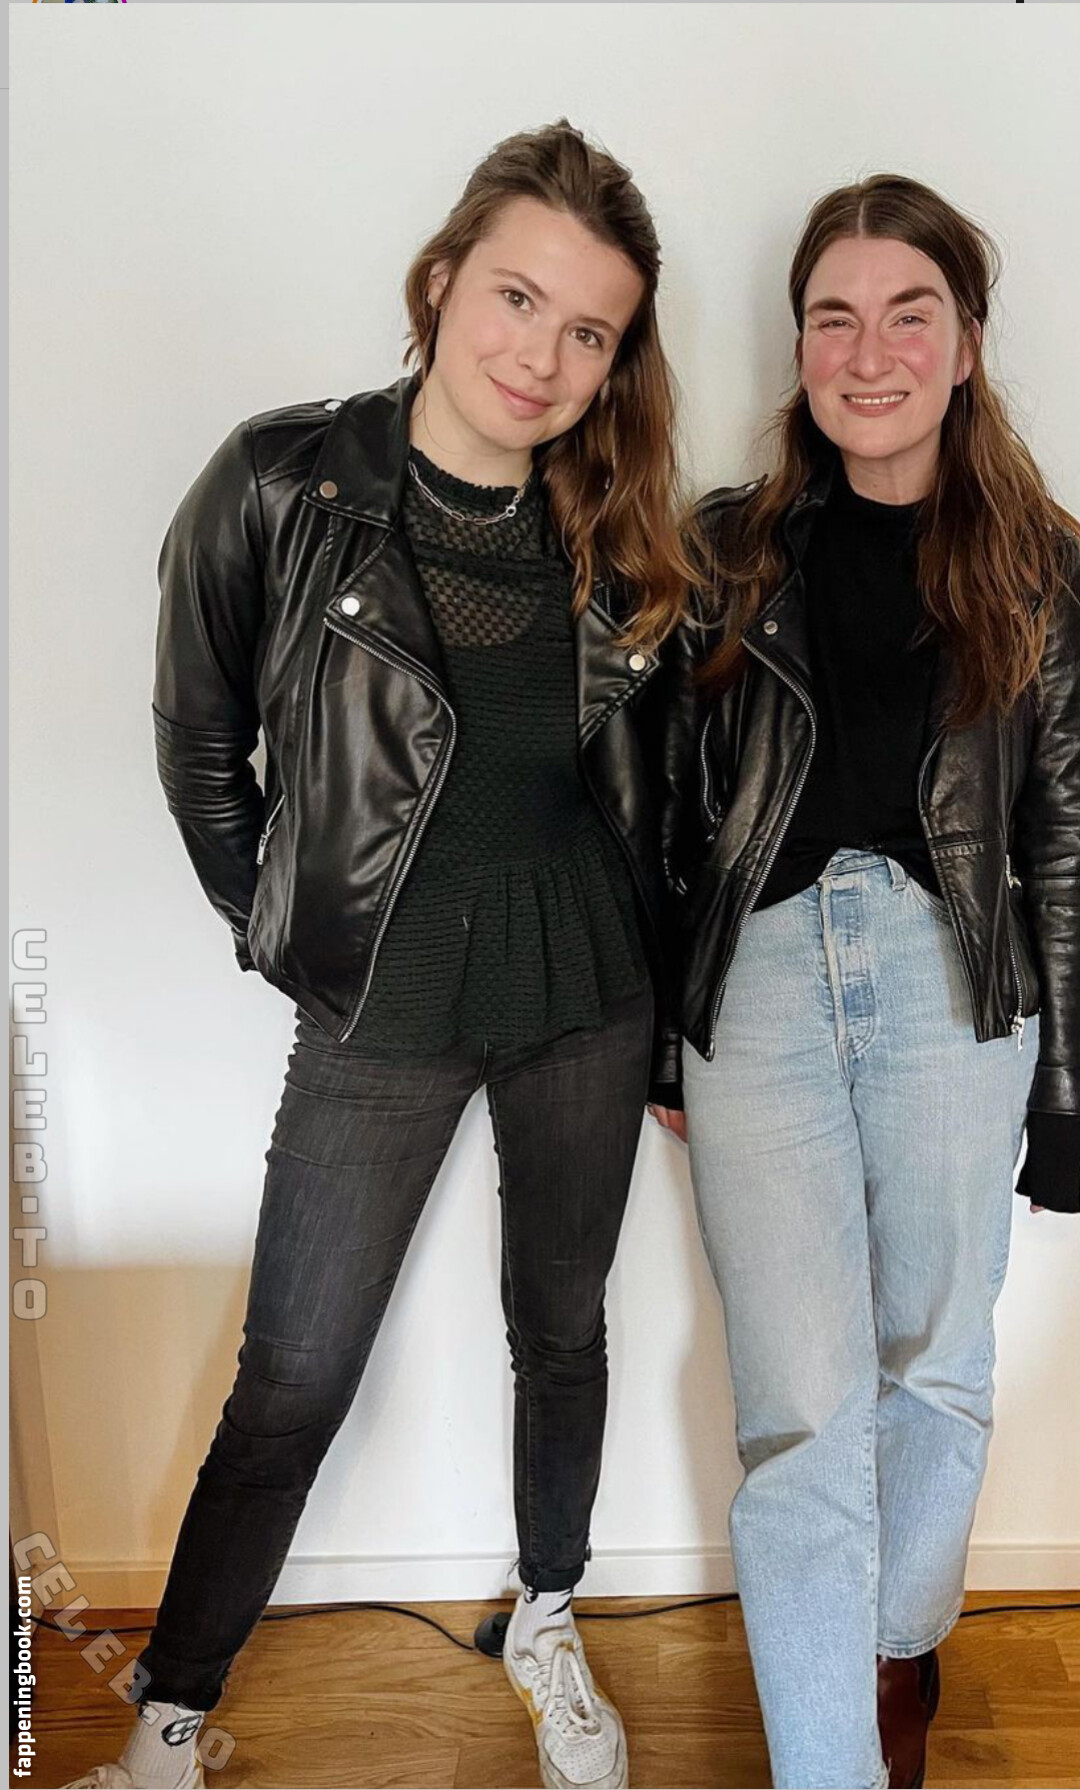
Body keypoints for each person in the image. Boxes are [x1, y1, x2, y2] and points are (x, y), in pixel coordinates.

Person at [67, 119, 696, 1790]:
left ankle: (547, 1612)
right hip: (385, 1004)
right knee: (294, 1377)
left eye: (588, 331)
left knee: (563, 1330)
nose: (541, 356)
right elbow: (200, 747)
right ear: (440, 280)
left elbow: (645, 801)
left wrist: (664, 1031)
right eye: (516, 297)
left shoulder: (621, 526)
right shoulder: (281, 484)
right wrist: (291, 933)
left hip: (584, 989)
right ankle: (171, 1715)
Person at [650, 174, 1080, 1789]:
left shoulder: (1047, 571)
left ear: (967, 342)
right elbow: (661, 814)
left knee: (936, 1363)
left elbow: (1068, 838)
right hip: (761, 978)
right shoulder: (721, 553)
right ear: (801, 349)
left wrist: (1069, 1088)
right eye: (835, 318)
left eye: (911, 315)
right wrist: (663, 1035)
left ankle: (895, 1642)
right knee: (799, 1411)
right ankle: (831, 1758)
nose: (870, 352)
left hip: (954, 981)